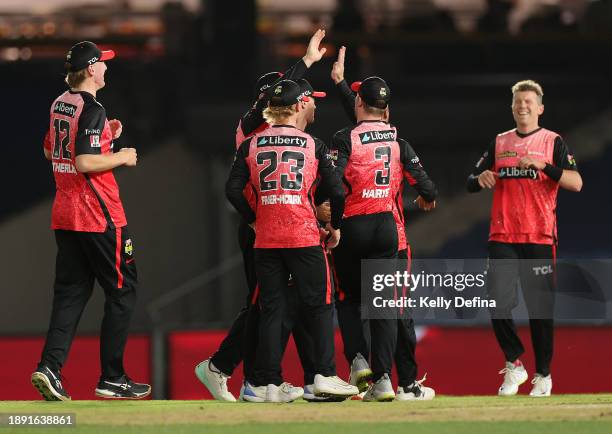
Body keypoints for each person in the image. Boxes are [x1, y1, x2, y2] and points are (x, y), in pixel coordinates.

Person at [195, 29, 329, 402]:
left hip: (276, 224)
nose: (301, 102)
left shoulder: (273, 132)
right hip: (260, 225)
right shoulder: (255, 126)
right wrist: (307, 62)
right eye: (295, 96)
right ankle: (235, 371)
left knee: (284, 303)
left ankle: (301, 377)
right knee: (267, 304)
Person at [225, 80, 359, 403]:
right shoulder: (312, 144)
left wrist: (254, 219)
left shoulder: (252, 145)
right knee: (320, 305)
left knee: (272, 309)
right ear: (298, 106)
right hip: (303, 235)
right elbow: (337, 191)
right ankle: (324, 375)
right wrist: (336, 227)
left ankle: (264, 384)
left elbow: (232, 189)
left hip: (267, 238)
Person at [33, 41, 150, 401]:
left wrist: (103, 140)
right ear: (90, 70)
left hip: (65, 213)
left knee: (70, 294)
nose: (106, 69)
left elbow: (52, 150)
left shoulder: (60, 103)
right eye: (103, 64)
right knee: (123, 291)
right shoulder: (92, 107)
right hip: (99, 215)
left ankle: (49, 368)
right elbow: (84, 163)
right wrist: (120, 155)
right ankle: (112, 377)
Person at [329, 46, 437, 401]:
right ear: (386, 109)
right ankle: (388, 381)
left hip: (352, 225)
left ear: (359, 103)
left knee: (347, 299)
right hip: (389, 231)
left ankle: (359, 360)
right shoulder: (398, 141)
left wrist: (330, 210)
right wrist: (426, 198)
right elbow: (428, 187)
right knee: (388, 308)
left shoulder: (345, 138)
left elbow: (335, 176)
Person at [467, 79, 582, 397]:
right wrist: (481, 178)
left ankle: (543, 375)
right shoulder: (499, 142)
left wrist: (545, 166)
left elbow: (576, 182)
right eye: (518, 101)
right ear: (512, 106)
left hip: (539, 236)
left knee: (539, 308)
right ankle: (514, 363)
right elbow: (470, 180)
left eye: (529, 101)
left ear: (540, 108)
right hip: (502, 235)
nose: (523, 106)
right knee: (497, 302)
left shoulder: (553, 141)